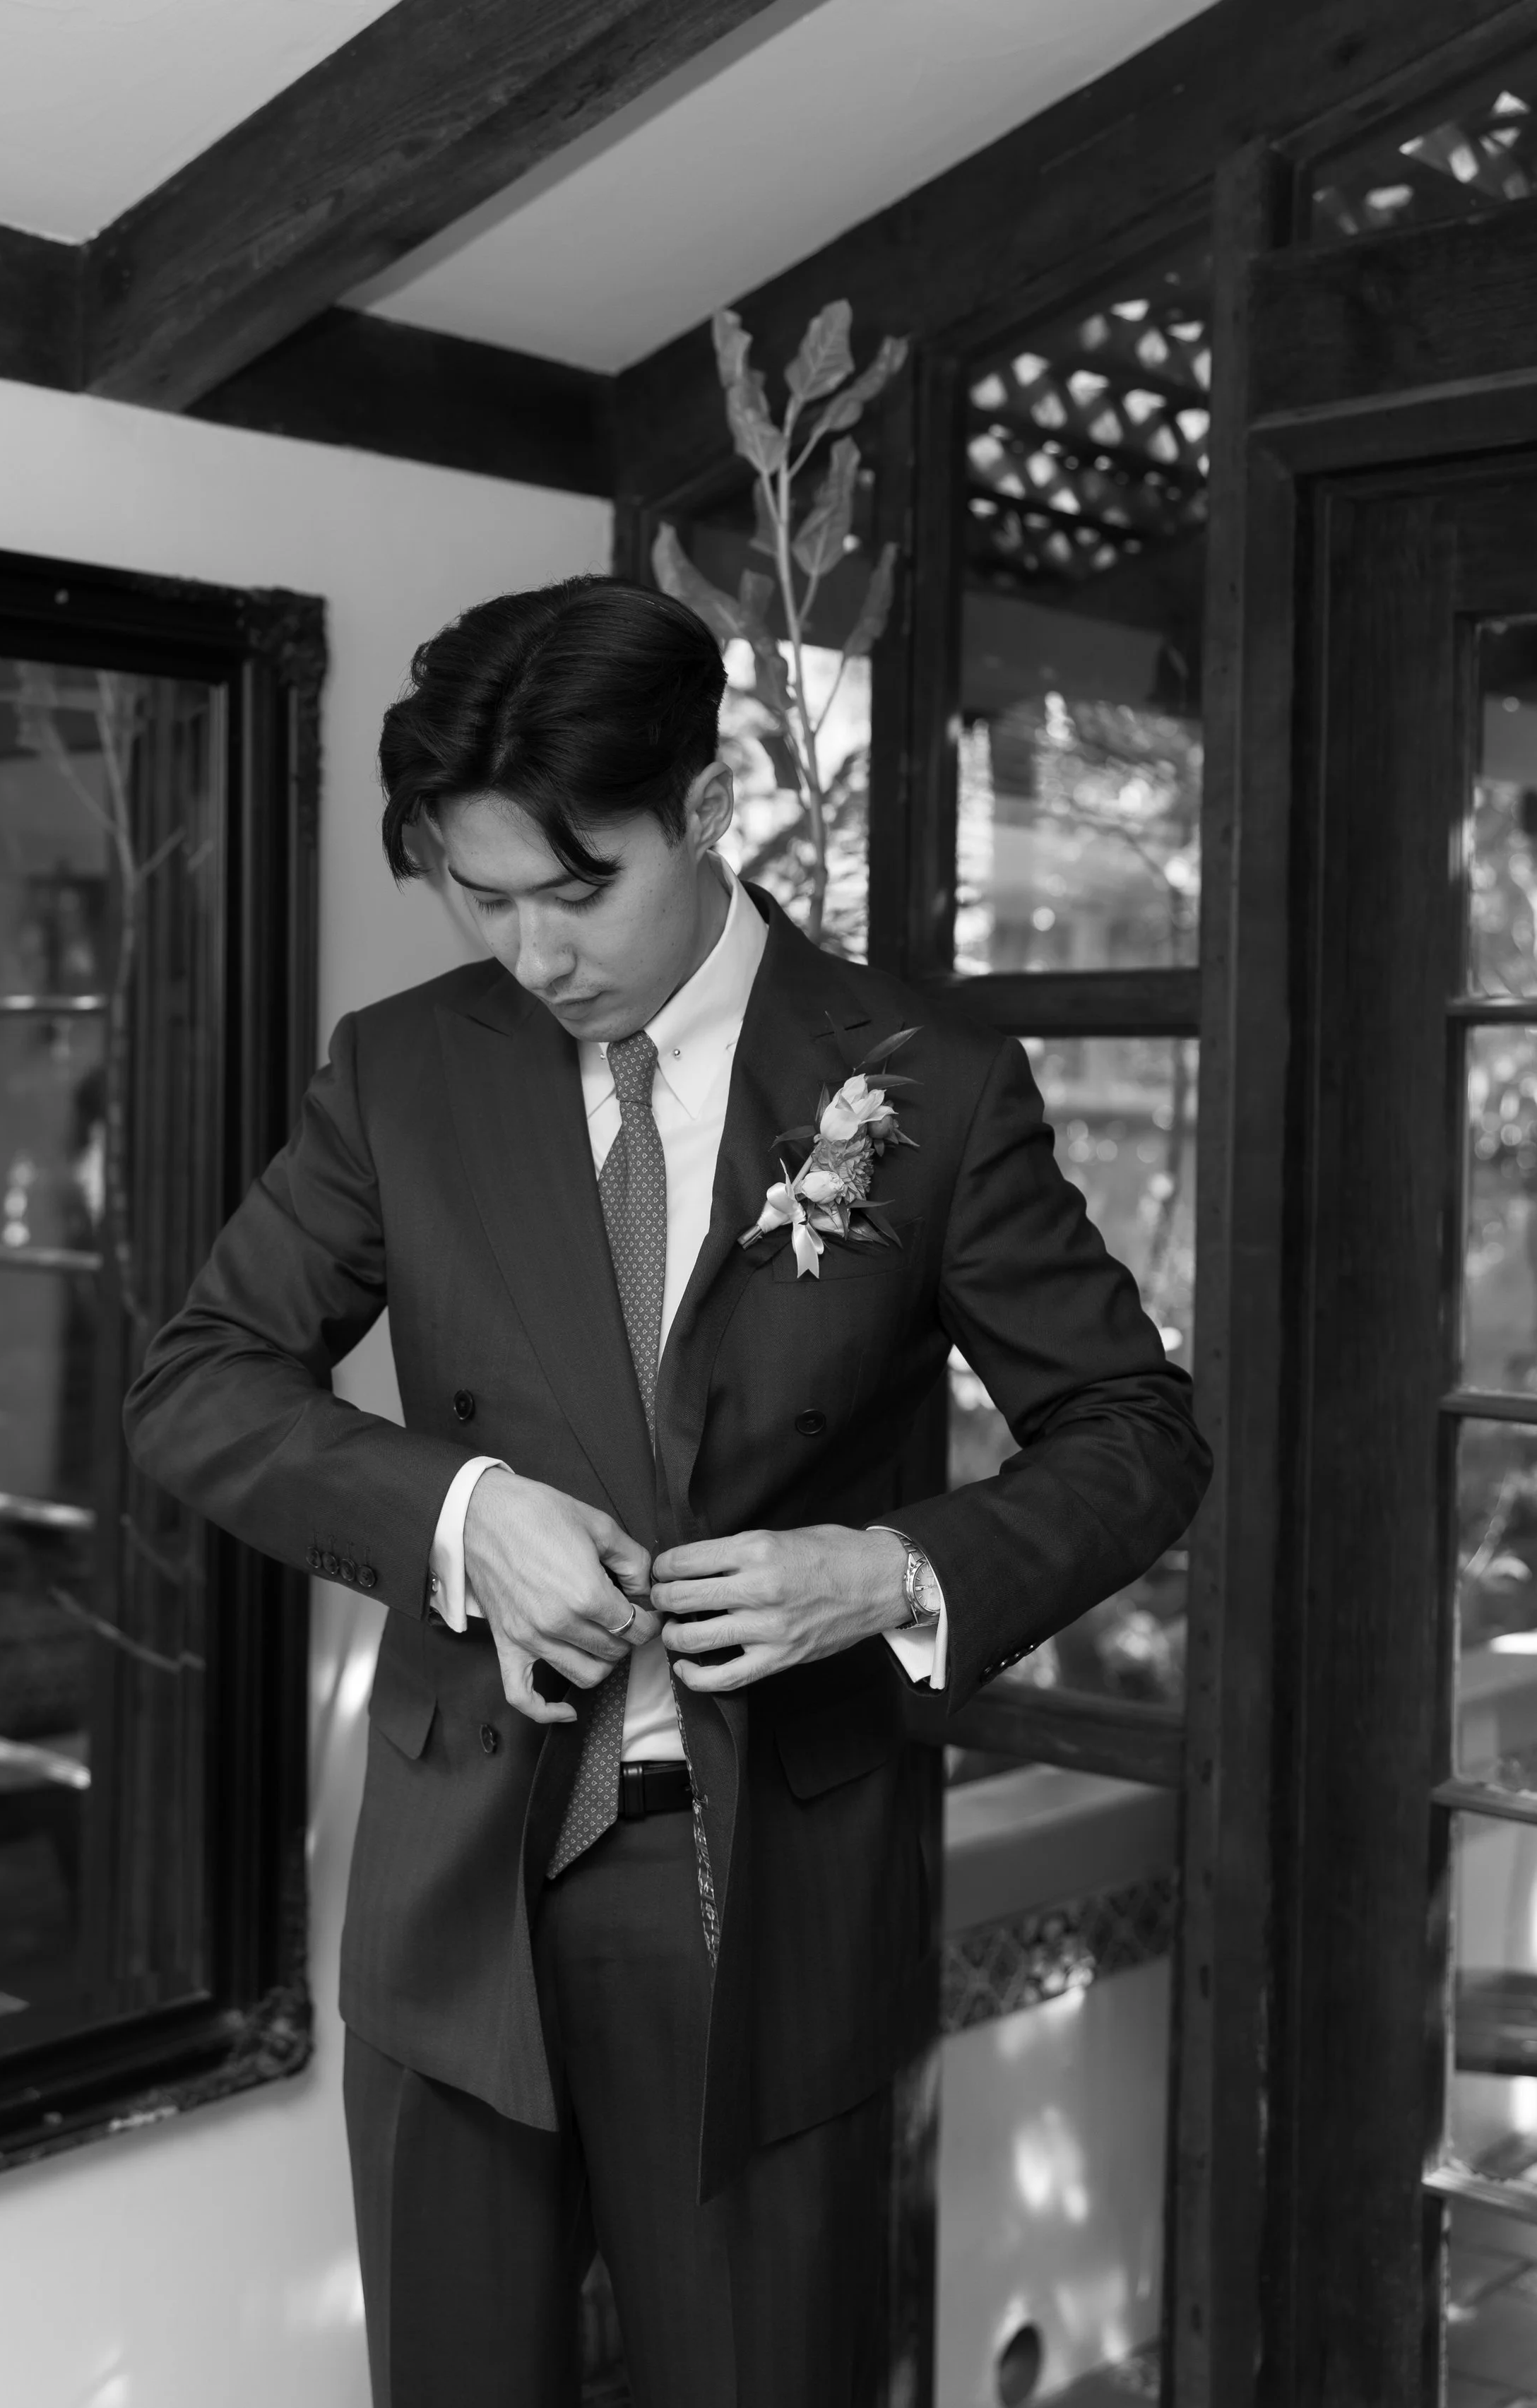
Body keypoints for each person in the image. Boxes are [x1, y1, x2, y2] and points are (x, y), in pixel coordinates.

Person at [124, 577, 1209, 2408]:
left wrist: (884, 1570)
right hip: (458, 1875)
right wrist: (464, 1511)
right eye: (482, 896)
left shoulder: (920, 1087)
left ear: (704, 810)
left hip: (762, 1888)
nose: (534, 951)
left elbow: (1131, 1427)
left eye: (579, 888)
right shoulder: (401, 1072)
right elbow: (199, 1381)